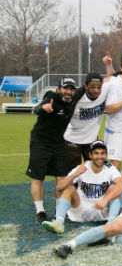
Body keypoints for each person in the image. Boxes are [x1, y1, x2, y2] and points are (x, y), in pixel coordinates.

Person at [42, 140, 122, 234]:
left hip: (101, 210)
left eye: (102, 153)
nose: (100, 156)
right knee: (70, 188)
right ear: (90, 155)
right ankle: (59, 223)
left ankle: (111, 224)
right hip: (81, 211)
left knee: (114, 188)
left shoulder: (110, 168)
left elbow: (121, 184)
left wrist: (105, 199)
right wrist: (74, 175)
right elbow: (59, 187)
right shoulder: (82, 167)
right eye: (96, 153)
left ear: (106, 155)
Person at [27, 77, 77, 223]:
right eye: (65, 88)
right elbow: (39, 107)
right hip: (40, 142)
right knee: (38, 177)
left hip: (58, 143)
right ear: (58, 89)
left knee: (61, 177)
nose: (68, 92)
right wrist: (43, 107)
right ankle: (40, 211)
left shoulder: (73, 99)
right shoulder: (51, 97)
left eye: (71, 89)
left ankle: (59, 210)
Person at [63, 72, 108, 170]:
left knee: (96, 171)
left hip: (91, 140)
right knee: (73, 175)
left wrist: (109, 65)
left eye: (99, 87)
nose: (96, 90)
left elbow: (117, 77)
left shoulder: (104, 92)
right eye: (92, 87)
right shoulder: (75, 97)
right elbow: (55, 99)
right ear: (86, 86)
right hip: (73, 140)